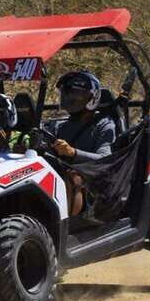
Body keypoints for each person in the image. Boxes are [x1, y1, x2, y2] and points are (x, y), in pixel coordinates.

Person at [46, 70, 116, 215]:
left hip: (94, 183)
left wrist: (73, 153)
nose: (71, 98)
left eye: (77, 94)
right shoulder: (59, 125)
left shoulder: (104, 125)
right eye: (68, 93)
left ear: (92, 98)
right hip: (62, 173)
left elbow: (105, 159)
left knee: (72, 177)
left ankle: (67, 226)